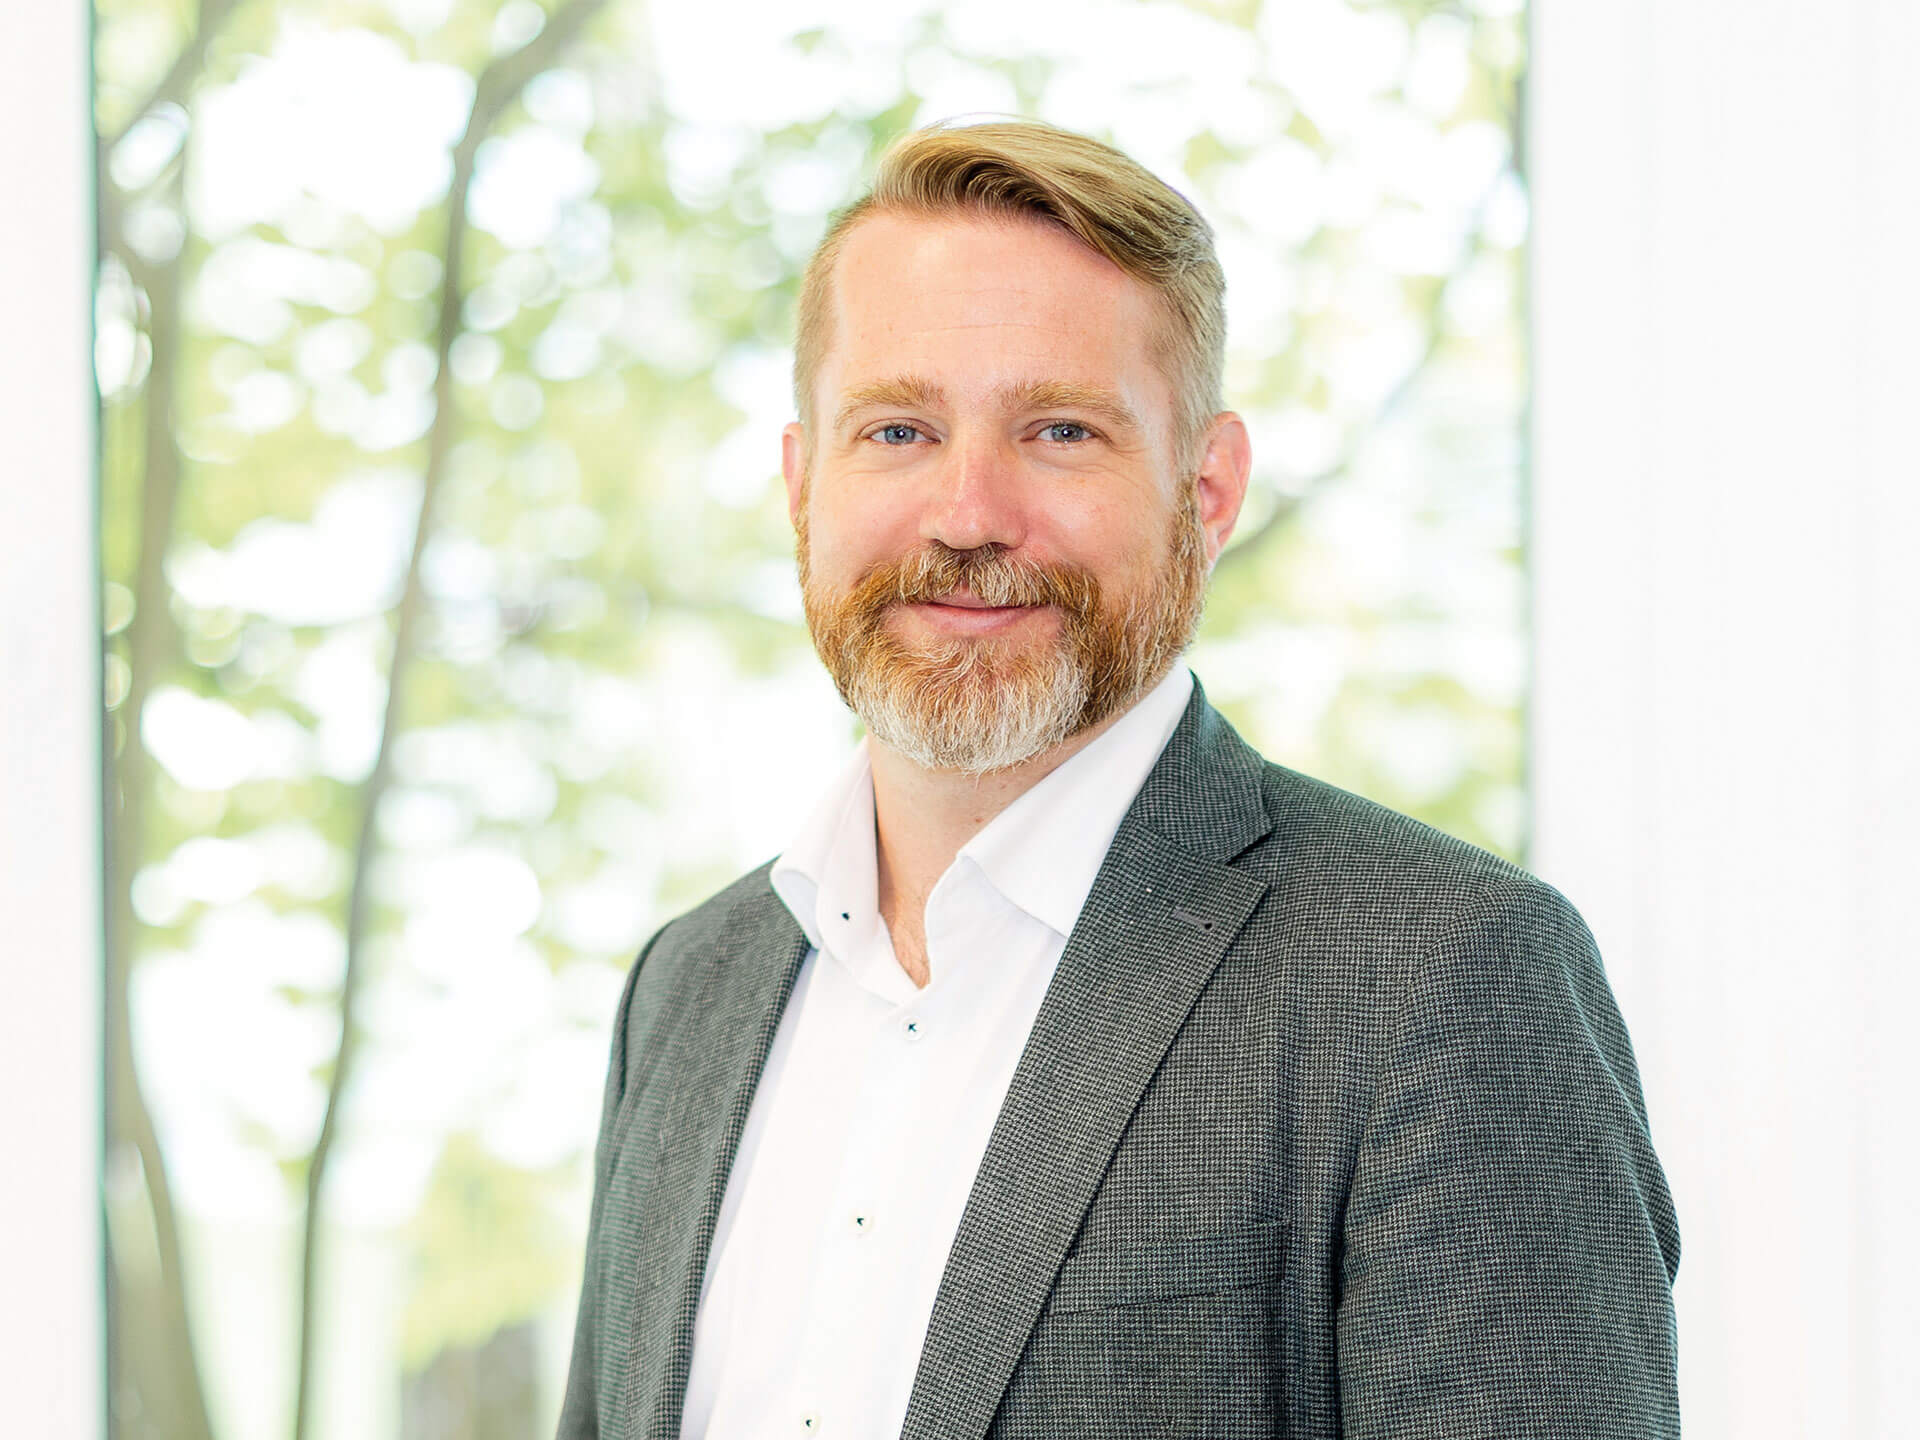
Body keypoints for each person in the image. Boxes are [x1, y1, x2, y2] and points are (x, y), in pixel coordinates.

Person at [557, 119, 1679, 1440]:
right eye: (899, 429)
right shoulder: (687, 988)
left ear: (1207, 491)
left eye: (1061, 431)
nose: (968, 514)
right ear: (803, 486)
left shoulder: (1450, 977)